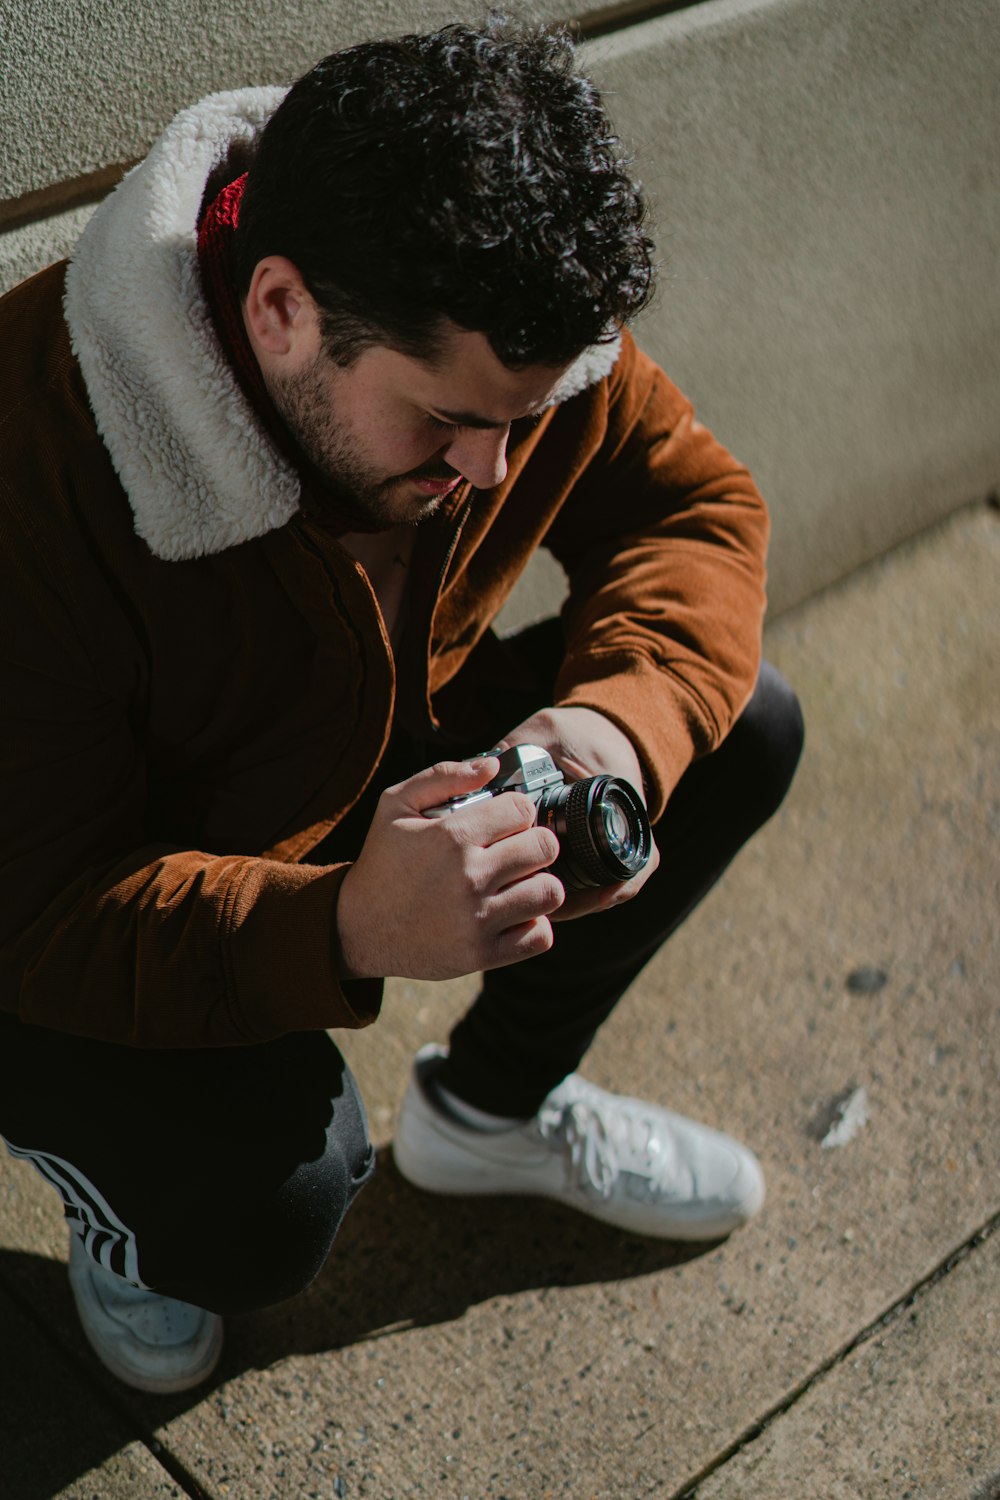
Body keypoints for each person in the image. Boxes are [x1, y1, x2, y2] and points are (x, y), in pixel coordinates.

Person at [0, 18, 803, 1393]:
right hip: (78, 883)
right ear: (280, 312)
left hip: (354, 749)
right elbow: (35, 908)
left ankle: (494, 1112)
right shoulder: (38, 459)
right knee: (274, 1204)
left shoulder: (502, 340)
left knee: (736, 727)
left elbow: (695, 510)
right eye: (443, 424)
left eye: (524, 418)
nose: (493, 469)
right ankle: (133, 1226)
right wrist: (345, 926)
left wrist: (608, 727)